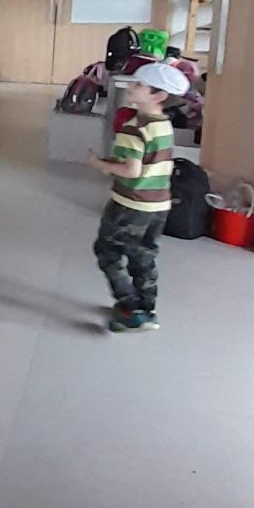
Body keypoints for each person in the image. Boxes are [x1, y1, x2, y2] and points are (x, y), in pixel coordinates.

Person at [87, 62, 189, 332]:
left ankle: (130, 308)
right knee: (144, 255)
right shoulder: (163, 124)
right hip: (158, 204)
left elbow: (132, 170)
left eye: (138, 85)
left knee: (107, 251)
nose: (131, 87)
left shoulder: (133, 128)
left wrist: (100, 164)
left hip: (130, 204)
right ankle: (147, 307)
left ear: (159, 95)